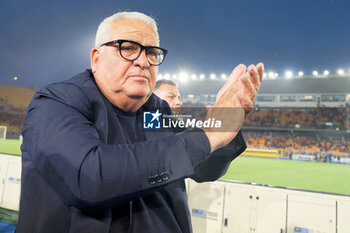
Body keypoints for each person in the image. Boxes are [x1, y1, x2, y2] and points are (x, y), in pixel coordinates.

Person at [16, 11, 264, 233]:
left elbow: (203, 168)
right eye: (128, 48)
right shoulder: (57, 102)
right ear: (96, 58)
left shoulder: (157, 111)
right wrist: (207, 135)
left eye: (152, 52)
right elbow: (91, 177)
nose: (144, 61)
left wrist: (225, 124)